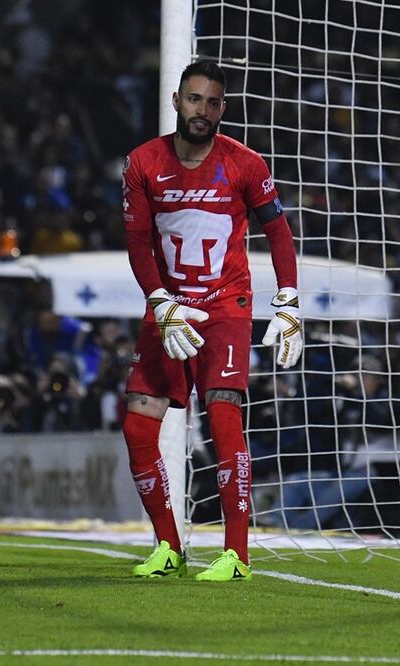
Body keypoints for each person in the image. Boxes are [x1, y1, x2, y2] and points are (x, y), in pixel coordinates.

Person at [121, 61, 302, 581]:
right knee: (137, 423)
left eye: (213, 102)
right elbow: (137, 241)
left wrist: (288, 301)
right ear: (177, 101)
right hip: (169, 308)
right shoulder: (142, 163)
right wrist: (160, 301)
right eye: (195, 99)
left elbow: (279, 232)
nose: (203, 110)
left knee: (223, 415)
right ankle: (168, 546)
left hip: (225, 306)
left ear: (223, 108)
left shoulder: (245, 163)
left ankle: (237, 555)